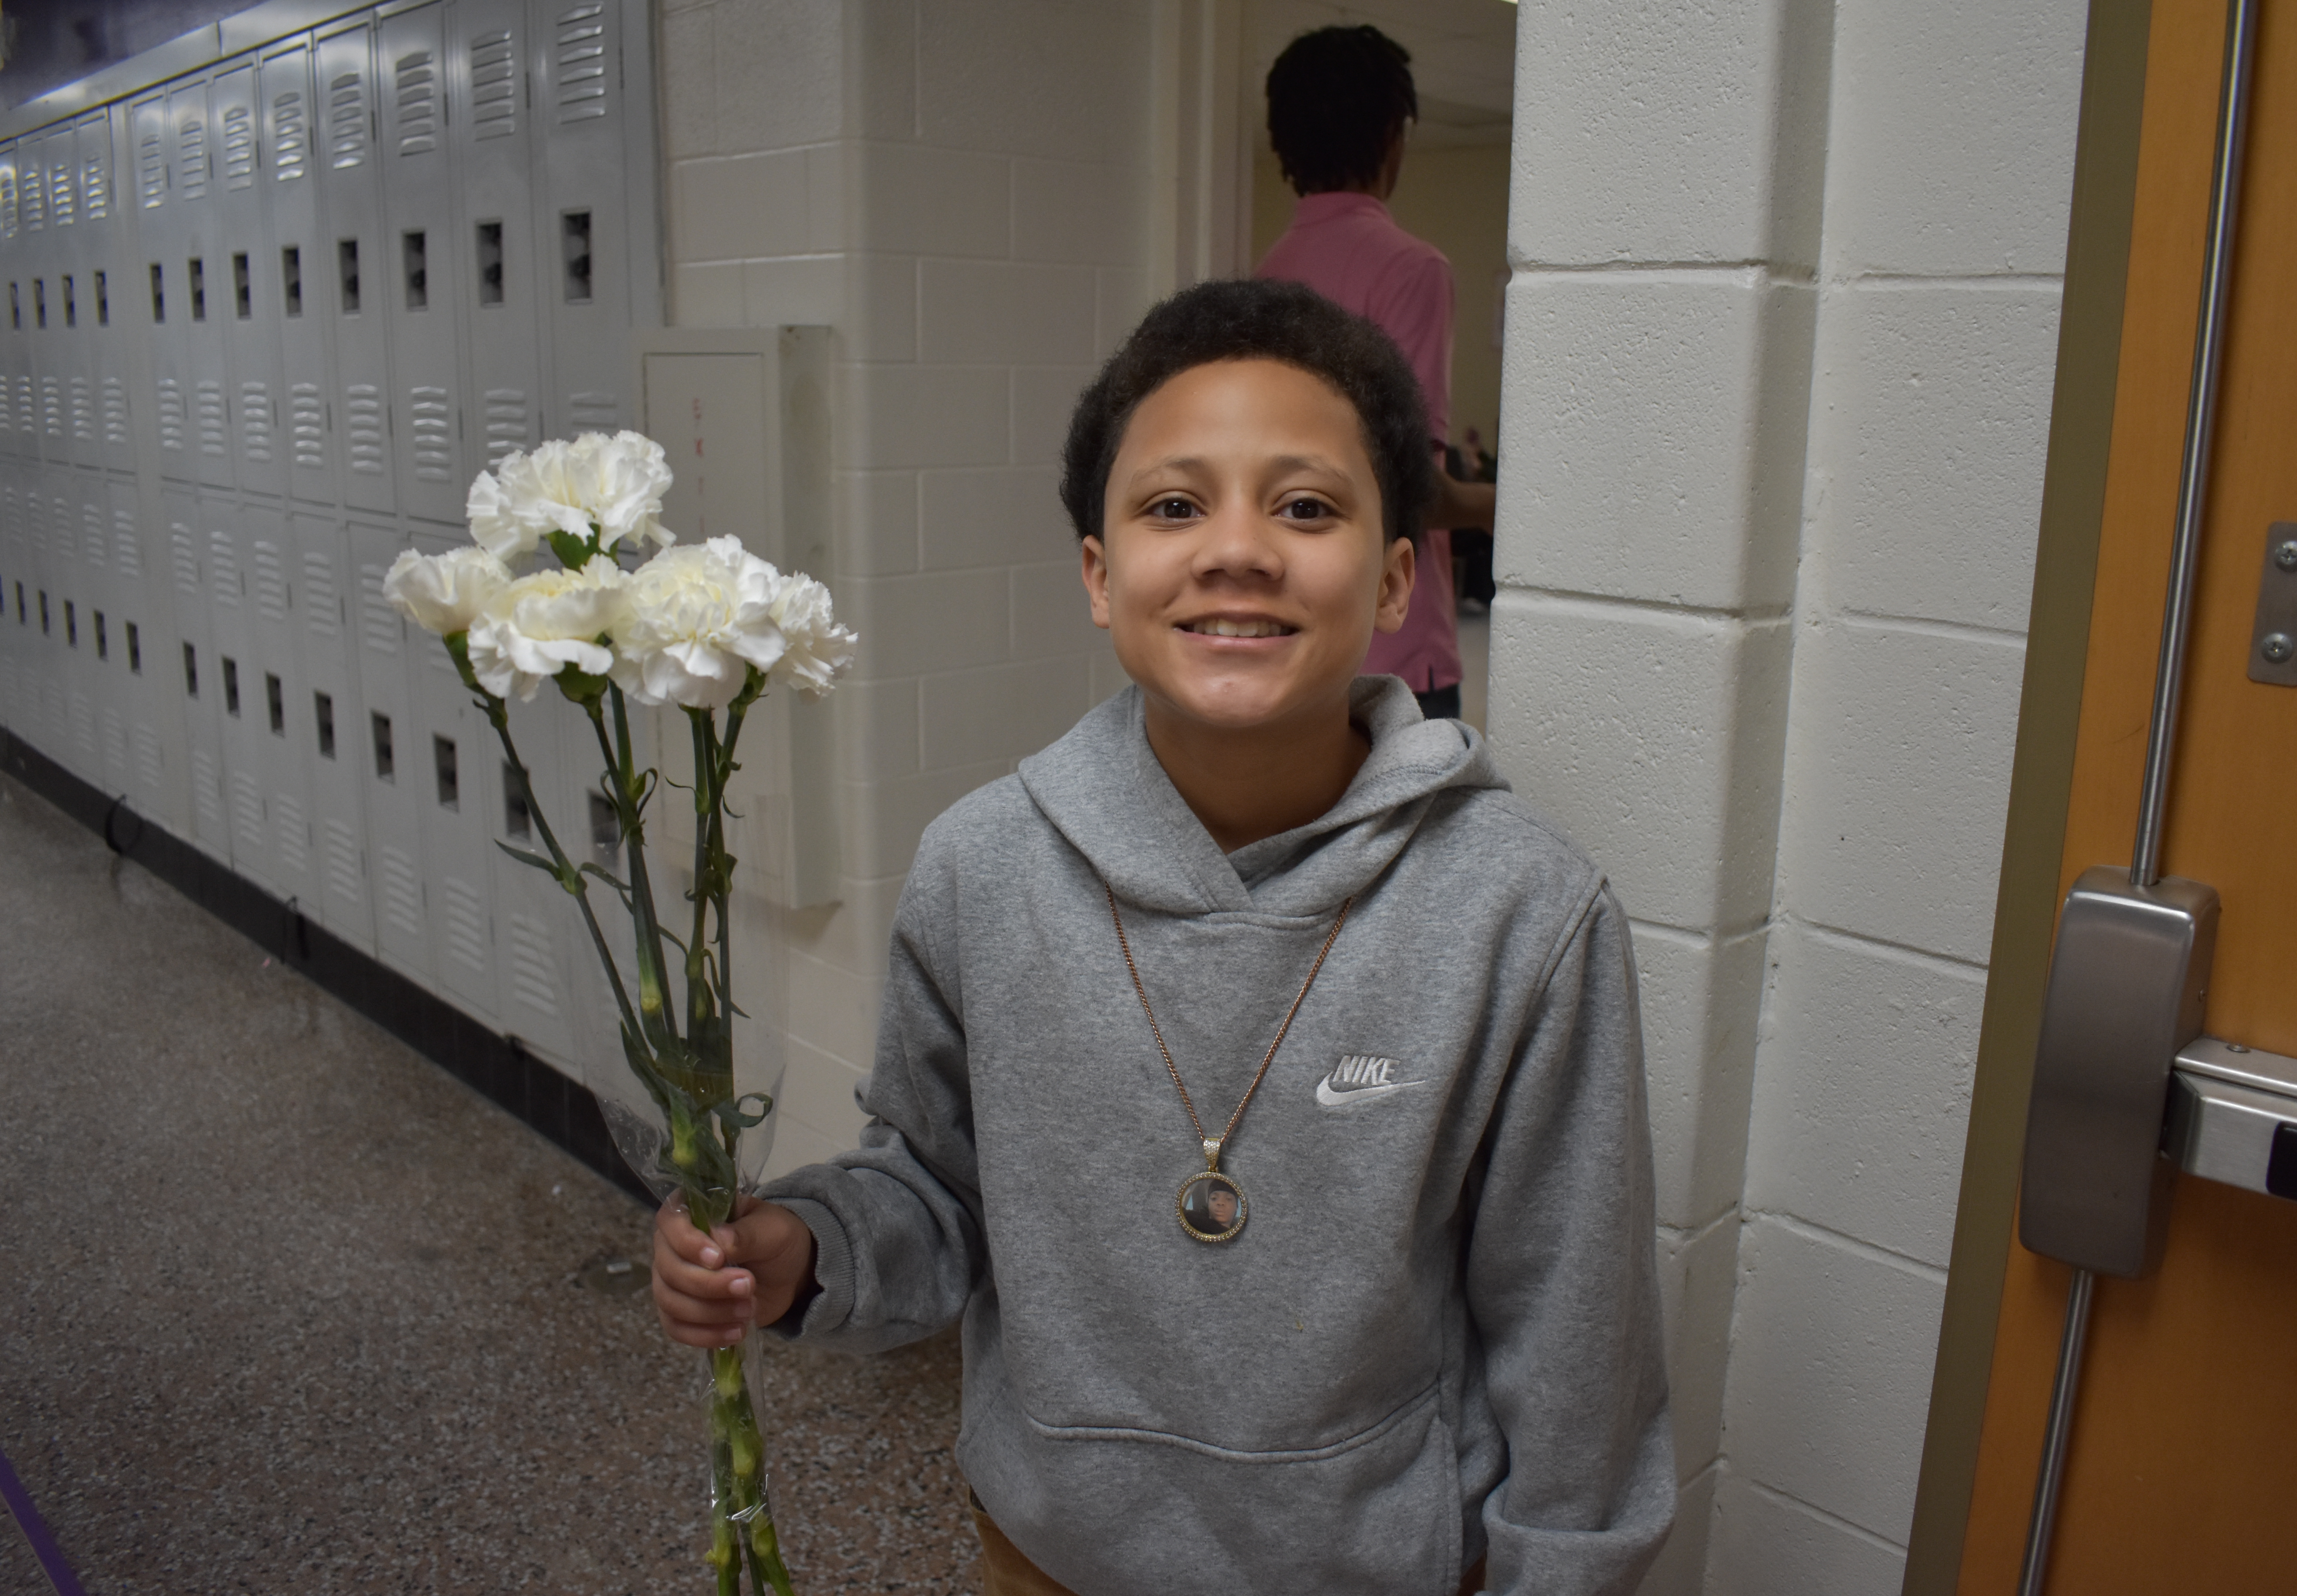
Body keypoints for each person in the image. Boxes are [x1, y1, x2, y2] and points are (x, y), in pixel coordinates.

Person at [650, 279, 1672, 1595]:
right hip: (1050, 1553)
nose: (1236, 550)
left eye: (1305, 507)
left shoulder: (1523, 913)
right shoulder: (985, 867)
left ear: (1399, 577)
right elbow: (936, 1190)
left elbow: (1576, 1340)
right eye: (1174, 506)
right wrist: (802, 1252)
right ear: (1098, 573)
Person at [1255, 24, 1498, 721]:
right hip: (1394, 644)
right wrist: (1514, 507)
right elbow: (1413, 495)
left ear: (1283, 144)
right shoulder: (1412, 269)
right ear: (1395, 133)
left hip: (1303, 628)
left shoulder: (1267, 274)